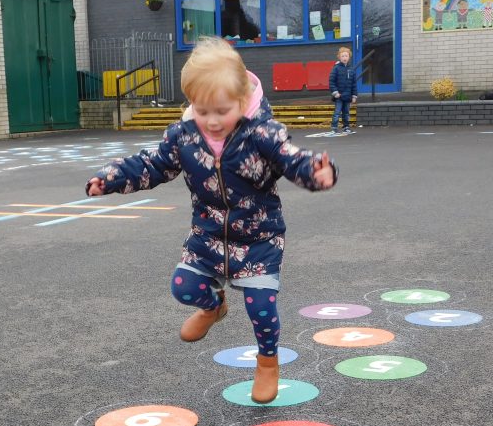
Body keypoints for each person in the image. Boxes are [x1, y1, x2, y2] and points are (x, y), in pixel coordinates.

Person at [86, 37, 337, 403]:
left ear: (241, 100)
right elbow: (152, 164)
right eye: (202, 111)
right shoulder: (184, 136)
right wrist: (110, 178)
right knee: (183, 287)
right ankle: (213, 306)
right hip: (208, 236)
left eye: (222, 110)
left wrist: (317, 171)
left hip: (259, 238)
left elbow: (292, 159)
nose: (213, 121)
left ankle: (267, 362)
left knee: (261, 306)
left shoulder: (262, 133)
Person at [328, 46, 357, 134]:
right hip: (339, 96)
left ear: (349, 57)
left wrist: (354, 96)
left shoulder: (351, 69)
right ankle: (334, 128)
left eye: (346, 56)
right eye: (343, 56)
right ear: (339, 57)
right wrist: (335, 93)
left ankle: (346, 127)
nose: (345, 58)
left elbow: (354, 84)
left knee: (346, 113)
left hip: (348, 96)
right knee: (337, 112)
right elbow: (331, 81)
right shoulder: (336, 68)